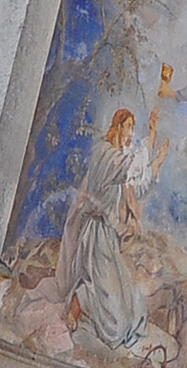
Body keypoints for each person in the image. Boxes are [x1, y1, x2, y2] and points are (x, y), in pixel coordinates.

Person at [60, 109, 158, 353]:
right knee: (112, 311)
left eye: (133, 127)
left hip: (108, 236)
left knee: (131, 306)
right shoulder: (104, 154)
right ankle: (76, 305)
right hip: (95, 234)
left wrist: (156, 160)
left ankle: (85, 306)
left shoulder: (117, 161)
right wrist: (150, 137)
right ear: (118, 126)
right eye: (129, 126)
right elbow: (127, 170)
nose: (131, 133)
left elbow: (136, 188)